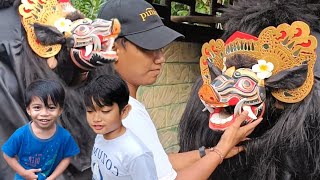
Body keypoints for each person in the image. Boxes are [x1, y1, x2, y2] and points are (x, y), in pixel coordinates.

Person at [97, 0, 263, 179]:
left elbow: (156, 162)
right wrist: (221, 150)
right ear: (112, 49)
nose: (160, 58)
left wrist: (210, 152)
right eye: (147, 47)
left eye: (160, 48)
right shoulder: (128, 115)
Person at [1, 79, 80, 180]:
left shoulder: (64, 136)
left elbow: (67, 157)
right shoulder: (21, 134)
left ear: (60, 110)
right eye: (37, 107)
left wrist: (52, 177)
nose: (44, 113)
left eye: (51, 108)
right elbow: (7, 154)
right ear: (28, 110)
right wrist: (24, 173)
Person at [83, 74, 158, 179]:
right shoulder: (101, 134)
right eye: (90, 111)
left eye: (105, 111)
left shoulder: (136, 154)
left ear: (124, 111)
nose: (96, 119)